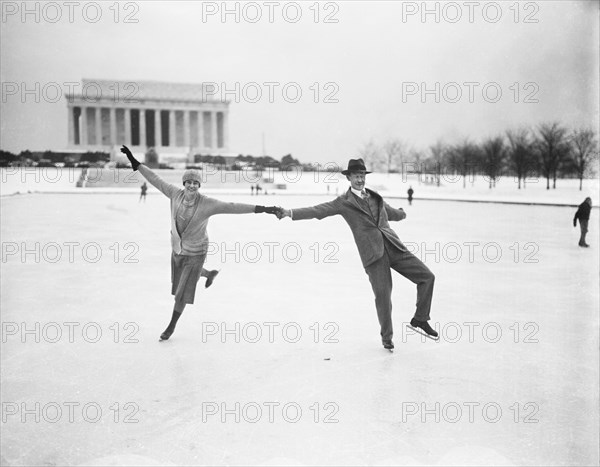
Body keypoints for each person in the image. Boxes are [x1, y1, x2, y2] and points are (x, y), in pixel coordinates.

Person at [120, 145, 280, 341]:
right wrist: (134, 162)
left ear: (199, 186)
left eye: (196, 183)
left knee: (181, 295)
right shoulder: (174, 194)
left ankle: (170, 327)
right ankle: (209, 273)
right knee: (180, 283)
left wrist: (264, 208)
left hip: (197, 251)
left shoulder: (206, 204)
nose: (192, 186)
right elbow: (155, 179)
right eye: (189, 182)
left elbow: (232, 207)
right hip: (178, 249)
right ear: (184, 182)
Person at [277, 158, 437, 350]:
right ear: (349, 178)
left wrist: (402, 213)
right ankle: (387, 337)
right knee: (383, 296)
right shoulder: (343, 203)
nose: (360, 180)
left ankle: (420, 319)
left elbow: (391, 213)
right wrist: (289, 212)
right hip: (373, 256)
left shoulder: (375, 197)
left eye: (362, 176)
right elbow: (318, 210)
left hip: (394, 247)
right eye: (356, 176)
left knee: (427, 277)